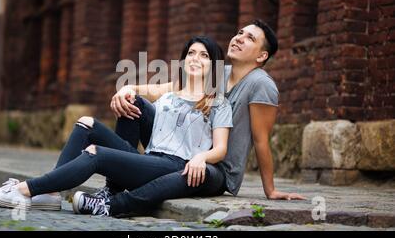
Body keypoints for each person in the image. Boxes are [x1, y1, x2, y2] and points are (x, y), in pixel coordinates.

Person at [75, 19, 306, 217]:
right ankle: (113, 188)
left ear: (262, 55)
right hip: (186, 150)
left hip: (216, 166)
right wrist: (129, 89)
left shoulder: (261, 84)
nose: (239, 38)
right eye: (239, 33)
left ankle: (112, 206)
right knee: (133, 104)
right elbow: (170, 88)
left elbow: (261, 139)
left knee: (185, 173)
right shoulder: (219, 72)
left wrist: (271, 190)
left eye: (250, 38)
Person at [0, 36, 233, 216]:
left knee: (96, 154)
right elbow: (138, 89)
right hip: (149, 160)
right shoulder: (172, 89)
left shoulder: (216, 102)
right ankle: (50, 194)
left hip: (176, 166)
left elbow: (220, 149)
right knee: (90, 121)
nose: (195, 58)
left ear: (214, 64)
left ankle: (25, 190)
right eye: (191, 53)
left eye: (204, 55)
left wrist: (201, 157)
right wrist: (125, 90)